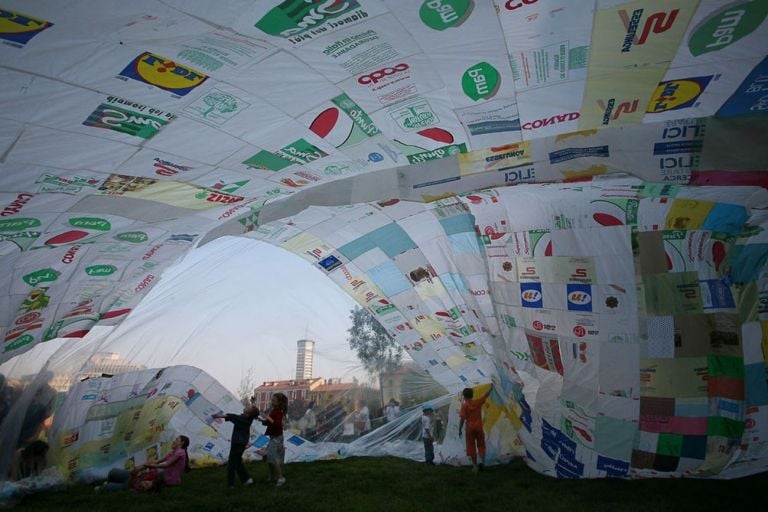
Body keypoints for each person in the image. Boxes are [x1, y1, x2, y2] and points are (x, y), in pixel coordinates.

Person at [96, 435, 190, 492]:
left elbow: (167, 464)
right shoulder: (172, 452)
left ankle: (109, 485)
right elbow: (159, 461)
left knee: (112, 485)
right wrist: (146, 464)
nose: (174, 440)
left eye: (177, 439)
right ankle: (110, 482)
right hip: (146, 477)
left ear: (182, 442)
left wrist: (149, 465)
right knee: (113, 472)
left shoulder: (180, 452)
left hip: (170, 480)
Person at [212, 404, 259, 488]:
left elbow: (232, 416)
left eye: (249, 407)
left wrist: (219, 416)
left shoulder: (243, 419)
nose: (247, 406)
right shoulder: (246, 418)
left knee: (232, 463)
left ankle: (231, 484)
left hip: (238, 443)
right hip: (241, 443)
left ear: (248, 413)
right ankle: (246, 479)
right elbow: (233, 417)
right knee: (237, 462)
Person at [458, 385, 492, 472]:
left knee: (471, 446)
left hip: (469, 428)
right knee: (481, 445)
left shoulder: (464, 406)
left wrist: (460, 429)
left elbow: (462, 418)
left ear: (464, 397)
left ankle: (475, 466)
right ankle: (482, 462)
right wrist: (491, 387)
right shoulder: (477, 402)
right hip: (478, 426)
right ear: (472, 395)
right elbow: (486, 395)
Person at [259, 393, 287, 487]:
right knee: (269, 457)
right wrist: (261, 419)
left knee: (273, 458)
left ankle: (280, 477)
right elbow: (268, 422)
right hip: (273, 437)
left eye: (273, 400)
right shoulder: (274, 410)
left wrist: (267, 417)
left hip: (276, 438)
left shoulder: (279, 411)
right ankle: (272, 476)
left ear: (279, 402)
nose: (271, 402)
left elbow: (277, 424)